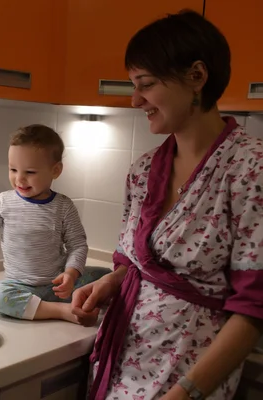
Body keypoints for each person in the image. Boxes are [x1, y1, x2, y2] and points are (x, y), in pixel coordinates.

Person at [70, 9, 263, 400]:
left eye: (146, 84)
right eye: (132, 84)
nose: (135, 99)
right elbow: (133, 262)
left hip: (192, 373)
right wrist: (110, 282)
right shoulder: (143, 171)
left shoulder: (250, 169)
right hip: (126, 356)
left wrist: (184, 393)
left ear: (196, 77)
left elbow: (255, 307)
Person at [0, 124, 111, 323]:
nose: (19, 178)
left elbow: (77, 245)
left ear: (55, 170)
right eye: (13, 169)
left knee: (109, 278)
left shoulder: (63, 206)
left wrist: (71, 274)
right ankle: (63, 311)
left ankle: (64, 304)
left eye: (30, 172)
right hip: (19, 288)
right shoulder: (4, 201)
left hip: (59, 284)